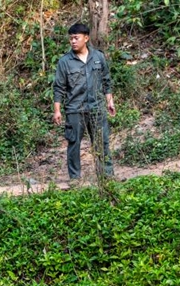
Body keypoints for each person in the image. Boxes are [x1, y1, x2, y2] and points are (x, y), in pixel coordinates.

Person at [52, 23, 115, 181]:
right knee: (74, 144)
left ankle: (106, 177)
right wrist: (57, 110)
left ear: (86, 38)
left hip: (97, 108)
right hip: (75, 109)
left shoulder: (98, 57)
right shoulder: (65, 62)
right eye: (71, 38)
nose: (73, 41)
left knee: (102, 142)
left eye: (76, 38)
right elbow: (59, 87)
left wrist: (109, 101)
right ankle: (75, 179)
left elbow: (106, 80)